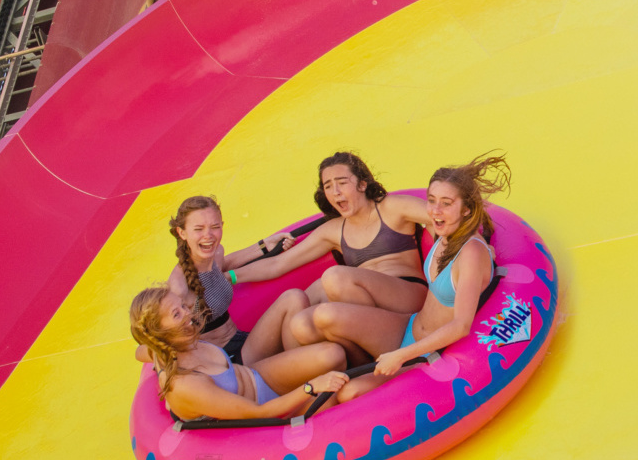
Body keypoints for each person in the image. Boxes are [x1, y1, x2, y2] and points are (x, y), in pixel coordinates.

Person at [298, 153, 513, 401]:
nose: (435, 210)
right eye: (431, 200)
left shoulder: (471, 253)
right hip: (409, 325)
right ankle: (347, 367)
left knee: (349, 393)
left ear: (466, 209)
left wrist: (402, 355)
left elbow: (461, 326)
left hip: (424, 351)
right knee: (324, 316)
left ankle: (360, 371)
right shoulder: (445, 236)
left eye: (446, 203)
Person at [230, 152, 430, 362]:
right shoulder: (333, 230)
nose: (335, 192)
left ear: (362, 184)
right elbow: (278, 264)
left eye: (342, 182)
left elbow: (441, 216)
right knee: (300, 324)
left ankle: (386, 348)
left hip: (406, 295)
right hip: (366, 310)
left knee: (334, 278)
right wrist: (231, 276)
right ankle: (346, 370)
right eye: (327, 186)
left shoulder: (392, 207)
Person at [128, 286, 349, 423]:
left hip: (257, 376)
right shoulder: (185, 384)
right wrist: (310, 387)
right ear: (160, 332)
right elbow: (258, 413)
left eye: (183, 307)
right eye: (177, 314)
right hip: (265, 411)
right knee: (341, 394)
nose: (188, 314)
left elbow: (141, 351)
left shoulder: (165, 346)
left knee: (333, 355)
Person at [163, 195, 284, 362]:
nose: (208, 235)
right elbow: (164, 338)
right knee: (291, 299)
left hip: (241, 340)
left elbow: (227, 262)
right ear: (182, 232)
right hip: (227, 360)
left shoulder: (216, 254)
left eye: (215, 227)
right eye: (198, 229)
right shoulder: (179, 287)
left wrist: (264, 245)